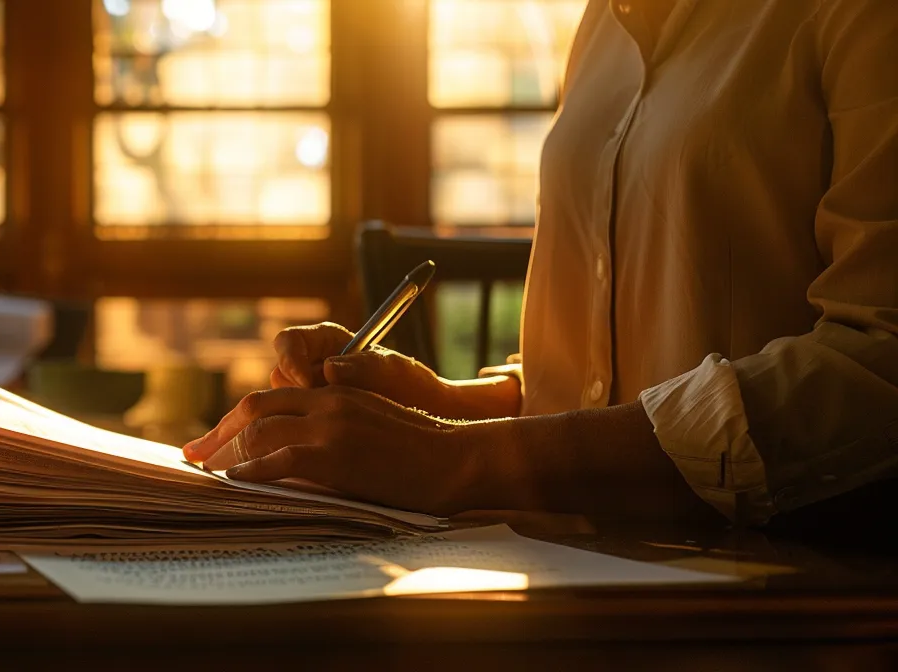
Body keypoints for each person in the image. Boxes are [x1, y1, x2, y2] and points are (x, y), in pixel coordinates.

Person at [182, 0, 898, 525]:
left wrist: (454, 458)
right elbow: (607, 380)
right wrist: (442, 405)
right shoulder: (602, 28)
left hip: (769, 591)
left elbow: (878, 365)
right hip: (565, 566)